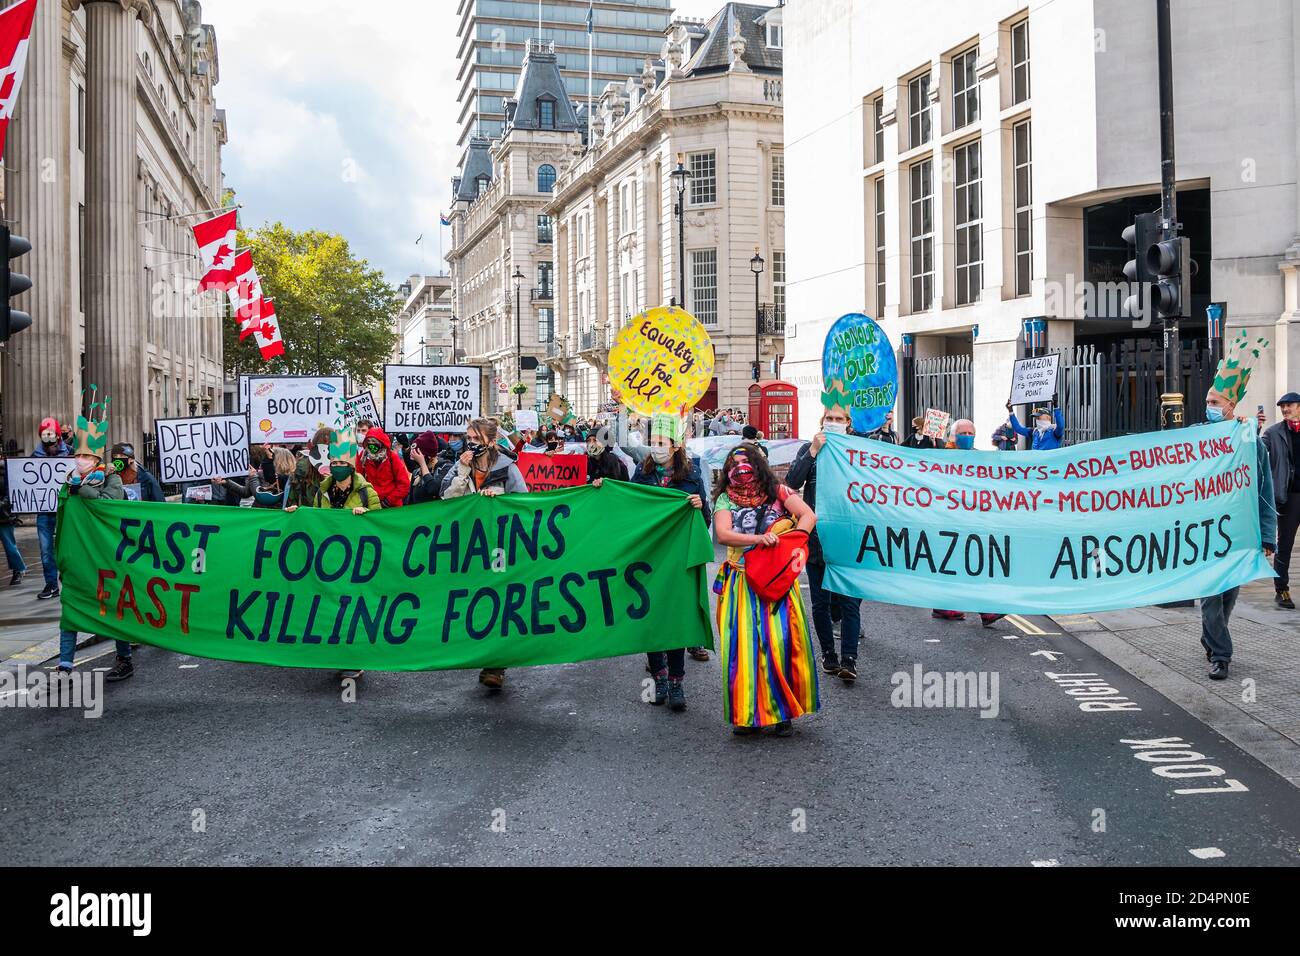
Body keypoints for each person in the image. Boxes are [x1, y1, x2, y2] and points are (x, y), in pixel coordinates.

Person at [712, 442, 819, 737]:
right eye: (733, 465)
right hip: (742, 583)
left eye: (745, 463)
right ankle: (747, 714)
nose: (740, 470)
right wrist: (760, 540)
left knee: (781, 643)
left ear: (758, 465)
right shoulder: (725, 500)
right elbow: (723, 535)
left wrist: (791, 543)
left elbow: (809, 516)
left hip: (777, 582)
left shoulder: (779, 491)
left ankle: (783, 712)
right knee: (742, 648)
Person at [1201, 345, 1277, 680]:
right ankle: (1222, 655)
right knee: (1208, 597)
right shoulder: (1197, 438)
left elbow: (1265, 490)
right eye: (1208, 401)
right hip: (1202, 532)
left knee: (1228, 595)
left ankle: (1212, 636)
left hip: (1238, 531)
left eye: (1216, 402)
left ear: (1232, 406)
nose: (1210, 407)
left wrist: (1268, 536)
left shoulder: (1250, 440)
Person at [441, 418, 529, 691]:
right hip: (469, 545)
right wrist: (463, 473)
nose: (470, 443)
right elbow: (446, 499)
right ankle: (478, 649)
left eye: (476, 439)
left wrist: (500, 501)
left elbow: (524, 505)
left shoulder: (507, 468)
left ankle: (496, 663)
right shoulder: (460, 465)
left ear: (491, 442)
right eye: (468, 438)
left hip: (498, 546)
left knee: (497, 600)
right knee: (473, 598)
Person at [630, 416, 710, 710]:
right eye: (653, 443)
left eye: (662, 443)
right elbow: (627, 504)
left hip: (678, 560)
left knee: (675, 620)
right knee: (652, 620)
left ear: (676, 447)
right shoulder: (642, 470)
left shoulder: (692, 475)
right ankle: (659, 680)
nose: (656, 448)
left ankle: (677, 682)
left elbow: (706, 522)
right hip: (649, 558)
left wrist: (699, 508)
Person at [57, 398, 133, 680]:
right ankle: (65, 665)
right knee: (72, 608)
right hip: (78, 556)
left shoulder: (111, 479)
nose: (81, 461)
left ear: (97, 460)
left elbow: (108, 508)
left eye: (87, 457)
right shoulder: (69, 481)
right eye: (79, 456)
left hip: (105, 556)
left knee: (114, 607)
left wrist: (85, 488)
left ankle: (124, 658)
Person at [786, 404, 862, 682]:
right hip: (817, 538)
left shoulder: (859, 451)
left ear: (848, 422)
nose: (833, 422)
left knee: (850, 602)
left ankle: (849, 659)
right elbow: (792, 482)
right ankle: (828, 654)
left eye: (838, 419)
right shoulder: (810, 449)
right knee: (820, 601)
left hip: (849, 538)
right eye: (828, 418)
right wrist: (813, 451)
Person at [1261, 391, 1300, 609]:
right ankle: (1282, 590)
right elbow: (1256, 449)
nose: (1285, 410)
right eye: (1282, 407)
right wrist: (1252, 428)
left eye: (1290, 406)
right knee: (1284, 544)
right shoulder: (1274, 433)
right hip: (1289, 496)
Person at [33, 417, 69, 599]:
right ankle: (51, 585)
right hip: (44, 512)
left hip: (64, 511)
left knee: (65, 548)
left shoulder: (70, 454)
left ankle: (67, 578)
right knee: (46, 549)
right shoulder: (33, 458)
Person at [358, 426, 411, 509]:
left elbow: (404, 484)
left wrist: (388, 501)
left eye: (374, 441)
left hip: (392, 506)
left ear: (381, 443)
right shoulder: (363, 457)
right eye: (369, 441)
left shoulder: (392, 457)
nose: (372, 444)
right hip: (371, 504)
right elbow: (358, 479)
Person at [0, 450, 27, 585]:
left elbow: (12, 492)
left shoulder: (6, 470)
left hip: (3, 515)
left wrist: (2, 504)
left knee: (9, 545)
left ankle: (18, 569)